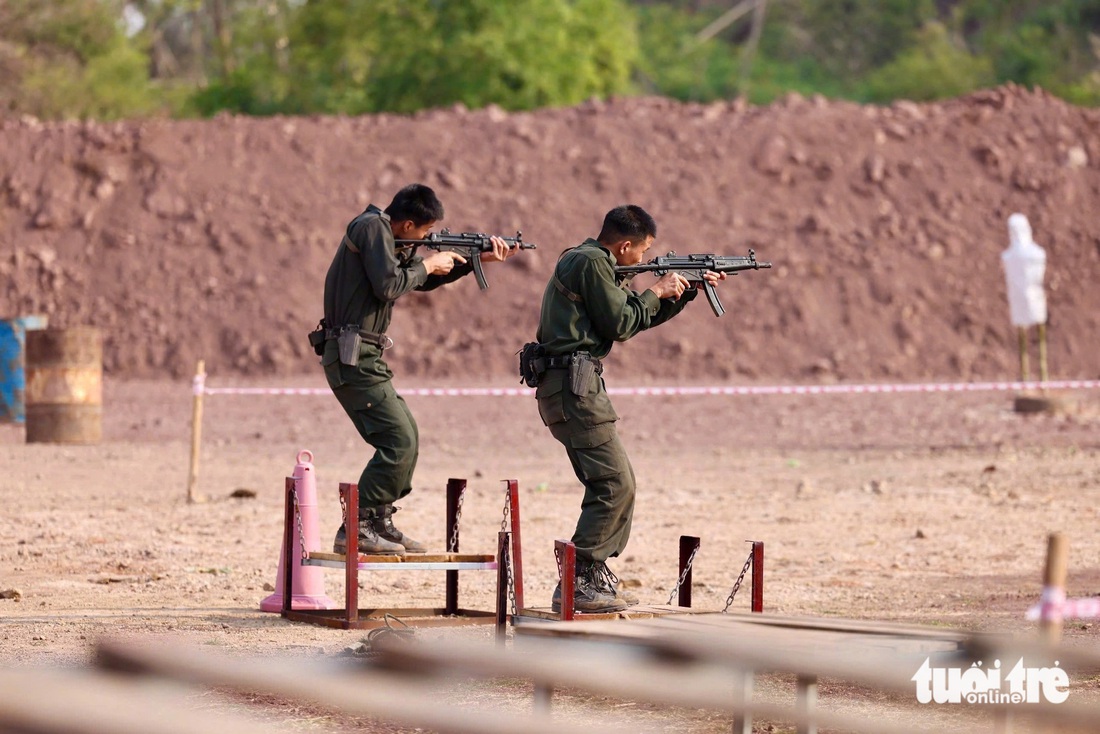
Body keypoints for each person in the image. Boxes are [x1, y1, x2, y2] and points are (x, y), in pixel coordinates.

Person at [528, 205, 726, 612]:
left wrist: (680, 294)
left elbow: (631, 321)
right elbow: (621, 323)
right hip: (574, 388)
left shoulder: (591, 262)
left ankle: (588, 575)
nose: (644, 260)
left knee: (614, 483)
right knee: (615, 484)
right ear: (624, 245)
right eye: (642, 251)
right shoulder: (591, 262)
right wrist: (656, 290)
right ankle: (579, 582)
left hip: (570, 386)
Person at [320, 183, 518, 555]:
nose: (426, 239)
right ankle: (358, 526)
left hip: (364, 356)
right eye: (424, 233)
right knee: (398, 440)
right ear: (408, 224)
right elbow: (389, 285)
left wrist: (473, 259)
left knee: (406, 433)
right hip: (352, 356)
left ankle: (378, 520)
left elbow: (417, 279)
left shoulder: (386, 237)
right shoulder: (371, 227)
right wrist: (428, 262)